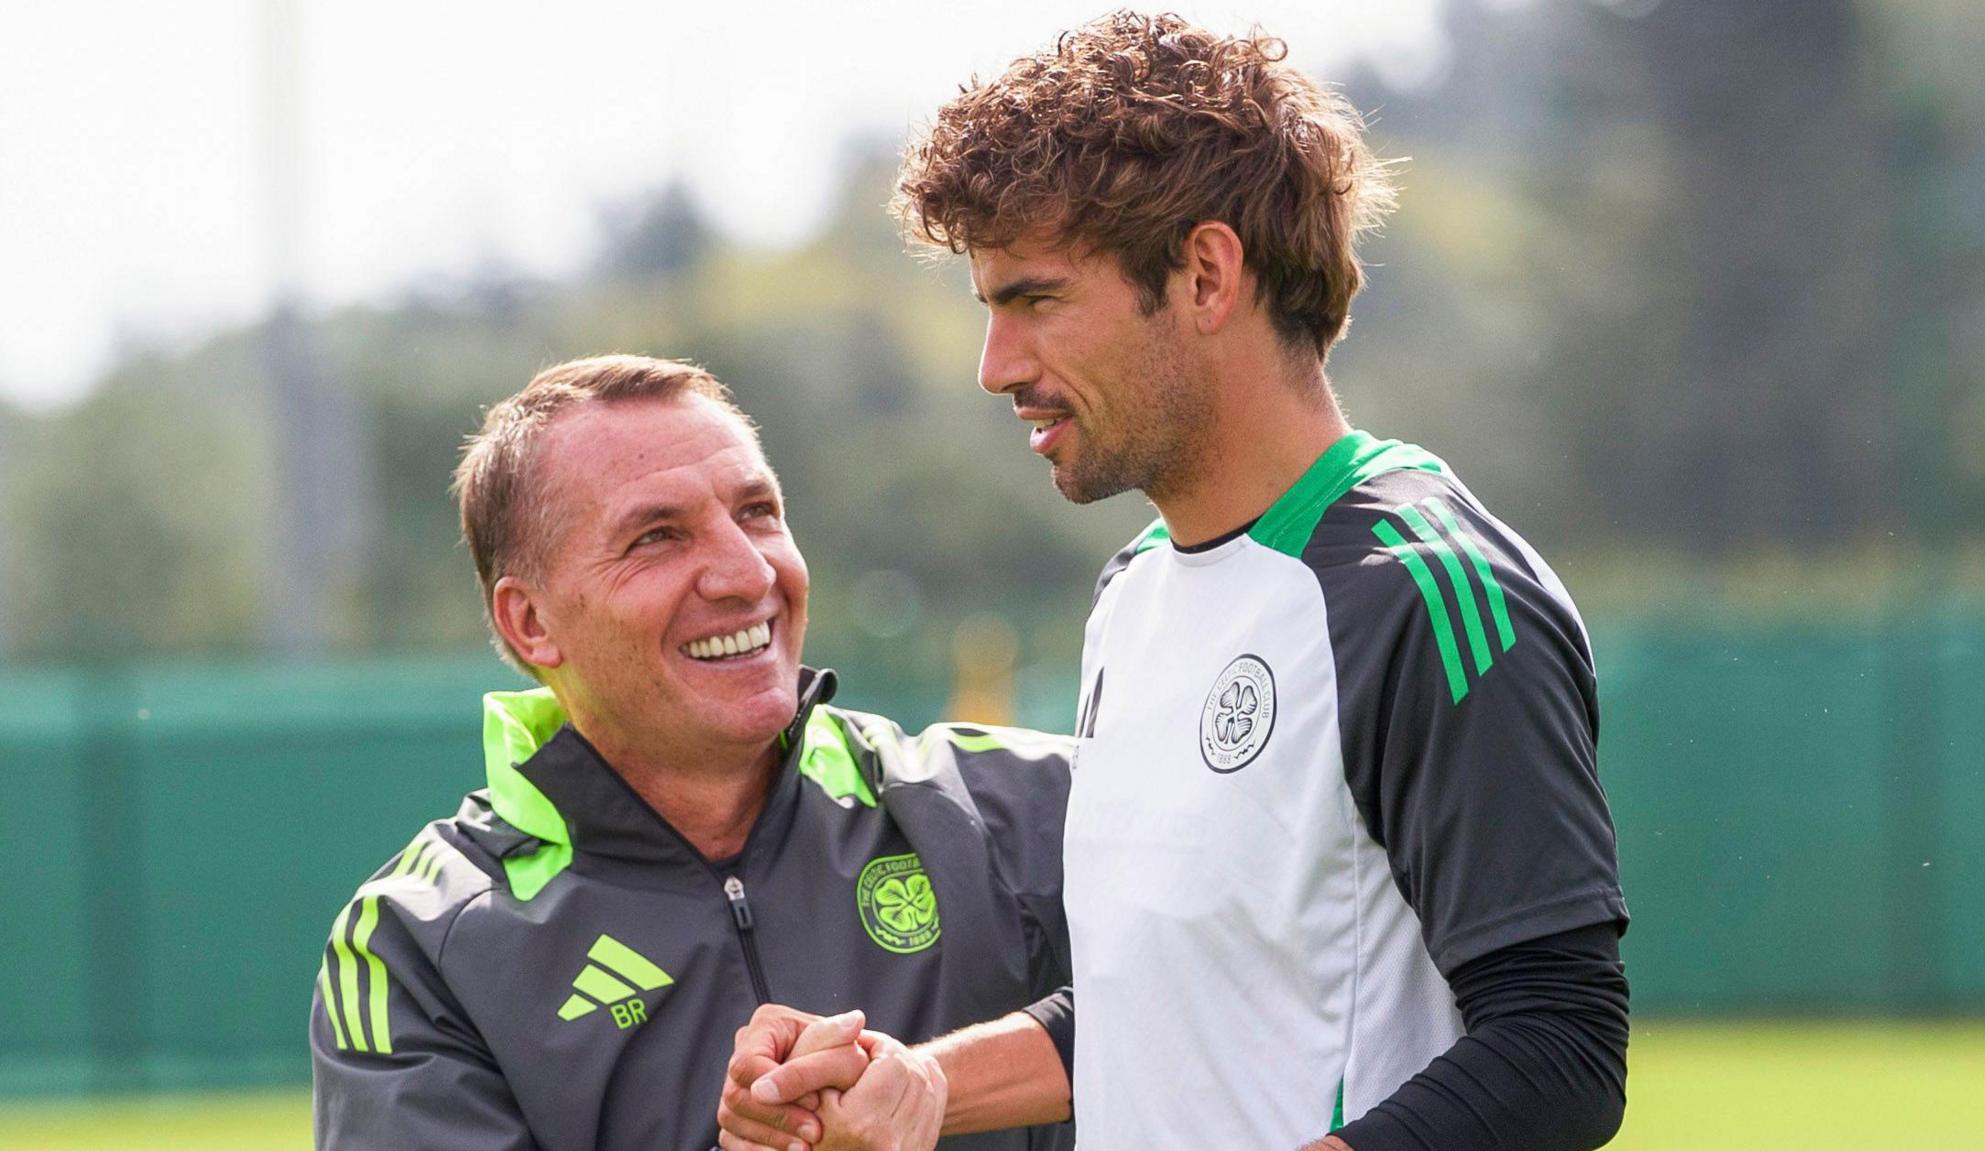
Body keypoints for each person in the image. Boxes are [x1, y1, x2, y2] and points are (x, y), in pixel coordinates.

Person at [721, 12, 1630, 1151]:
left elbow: (1559, 1045)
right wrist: (920, 1079)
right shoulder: (1134, 592)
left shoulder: (1426, 591)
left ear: (1204, 275)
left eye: (1034, 301)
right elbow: (1171, 1003)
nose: (995, 368)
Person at [309, 355, 1076, 1151]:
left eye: (757, 512)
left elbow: (1211, 989)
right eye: (658, 536)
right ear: (530, 622)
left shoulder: (1004, 806)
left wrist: (932, 1081)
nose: (748, 574)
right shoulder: (419, 943)